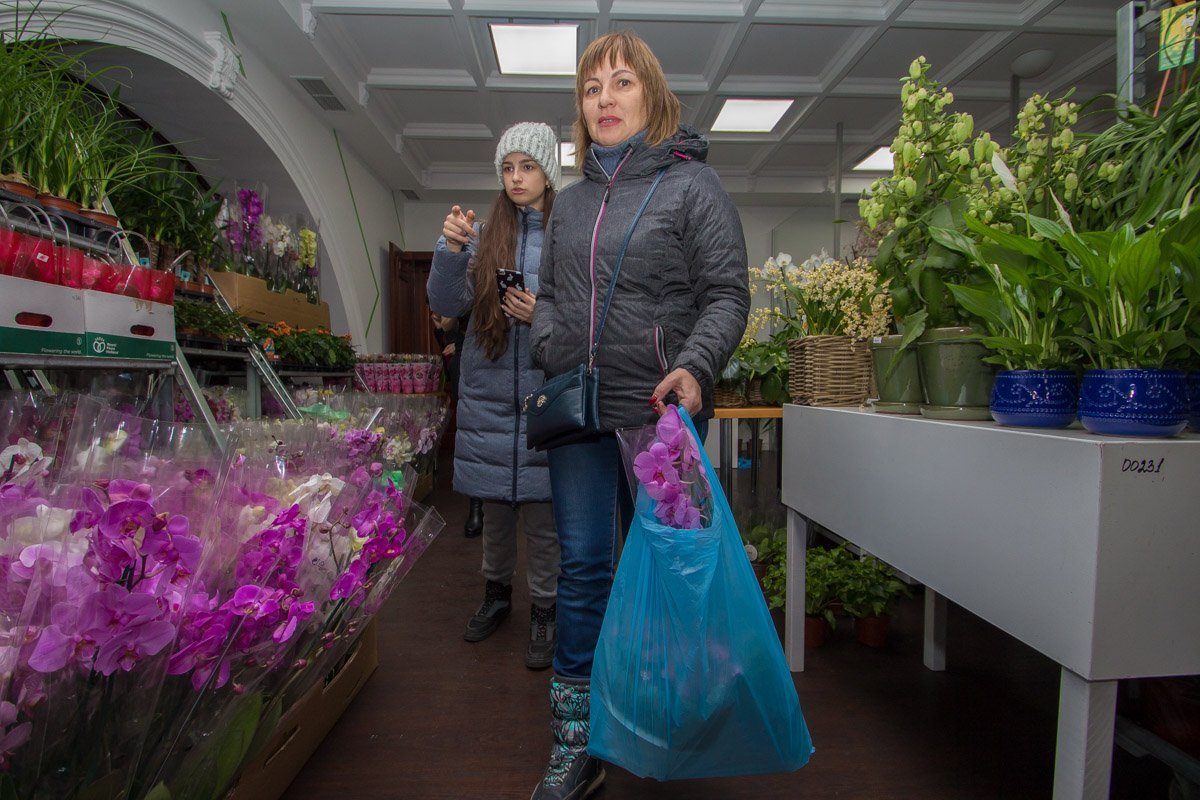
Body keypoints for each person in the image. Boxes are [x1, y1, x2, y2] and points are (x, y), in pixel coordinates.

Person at [528, 31, 749, 799]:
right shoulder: (572, 203)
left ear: (651, 98)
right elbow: (550, 296)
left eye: (621, 84)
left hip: (662, 420)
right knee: (585, 567)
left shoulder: (694, 188)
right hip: (578, 416)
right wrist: (552, 341)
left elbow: (728, 294)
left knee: (678, 570)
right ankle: (576, 743)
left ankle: (674, 716)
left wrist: (693, 364)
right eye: (592, 90)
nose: (605, 100)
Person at [426, 121, 563, 670]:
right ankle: (497, 596)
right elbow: (446, 301)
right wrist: (450, 248)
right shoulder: (482, 235)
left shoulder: (566, 234)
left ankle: (546, 610)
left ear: (547, 173)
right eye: (507, 168)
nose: (515, 178)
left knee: (543, 518)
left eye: (527, 166)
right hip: (487, 400)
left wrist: (543, 314)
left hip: (544, 398)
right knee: (497, 516)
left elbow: (586, 313)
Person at [431, 311, 485, 538]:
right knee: (472, 432)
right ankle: (476, 507)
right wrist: (447, 328)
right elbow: (445, 323)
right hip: (468, 356)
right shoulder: (466, 278)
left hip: (502, 350)